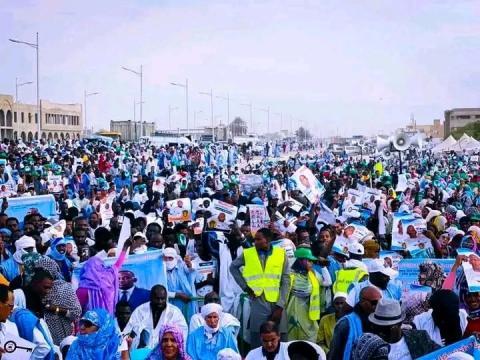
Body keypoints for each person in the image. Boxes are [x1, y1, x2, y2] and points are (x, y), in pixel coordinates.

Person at [230, 227, 290, 347]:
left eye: (258, 239)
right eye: (254, 239)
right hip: (258, 300)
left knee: (281, 338)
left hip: (278, 301)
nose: (255, 242)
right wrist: (245, 287)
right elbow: (233, 267)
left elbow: (286, 280)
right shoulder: (248, 253)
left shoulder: (281, 253)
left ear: (267, 240)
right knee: (258, 338)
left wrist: (280, 306)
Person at [123, 284, 188, 351]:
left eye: (162, 299)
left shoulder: (174, 312)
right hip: (141, 354)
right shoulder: (140, 311)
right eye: (157, 298)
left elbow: (182, 336)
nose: (160, 302)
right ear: (151, 298)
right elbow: (127, 333)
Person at [369, 298, 440, 359]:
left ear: (400, 324)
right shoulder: (372, 346)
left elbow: (441, 354)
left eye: (386, 329)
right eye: (378, 327)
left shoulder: (419, 337)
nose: (381, 333)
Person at [76, 238, 130, 314]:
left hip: (90, 324)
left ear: (85, 268)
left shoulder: (82, 288)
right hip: (108, 321)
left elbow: (77, 310)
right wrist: (125, 247)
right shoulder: (108, 276)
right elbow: (118, 264)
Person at [328, 286, 382, 360]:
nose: (377, 306)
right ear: (363, 302)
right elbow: (335, 353)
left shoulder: (380, 322)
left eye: (379, 303)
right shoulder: (345, 324)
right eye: (374, 303)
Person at [286, 247, 321, 342]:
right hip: (292, 312)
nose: (311, 263)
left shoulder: (313, 275)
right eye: (309, 260)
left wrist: (324, 267)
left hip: (308, 316)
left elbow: (328, 282)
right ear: (300, 261)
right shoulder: (289, 275)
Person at [163, 247, 197, 323]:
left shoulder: (181, 266)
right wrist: (177, 295)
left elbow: (190, 270)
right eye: (165, 258)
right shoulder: (161, 271)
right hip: (170, 302)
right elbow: (161, 291)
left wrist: (189, 264)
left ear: (175, 258)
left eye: (170, 258)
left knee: (188, 321)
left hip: (186, 301)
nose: (168, 261)